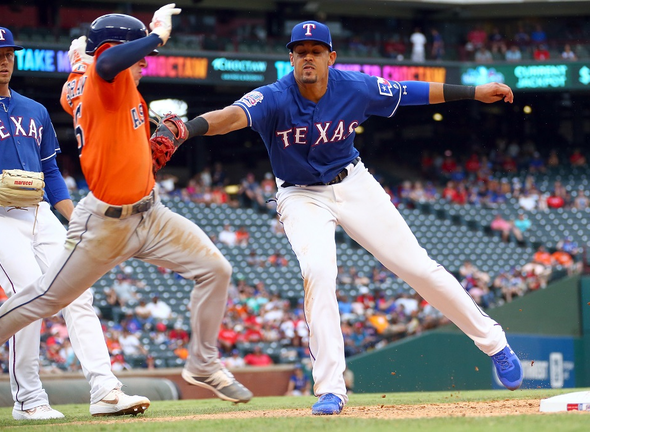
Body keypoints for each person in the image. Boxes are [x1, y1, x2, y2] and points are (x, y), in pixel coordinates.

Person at [175, 20, 523, 415]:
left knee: (418, 268)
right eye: (300, 51)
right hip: (300, 194)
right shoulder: (273, 97)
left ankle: (495, 344)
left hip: (353, 182)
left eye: (316, 51)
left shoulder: (356, 87)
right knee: (318, 273)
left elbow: (411, 92)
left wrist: (474, 92)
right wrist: (187, 129)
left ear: (331, 58)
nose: (308, 57)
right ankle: (330, 389)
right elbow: (229, 117)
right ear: (291, 58)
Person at [0, 8, 253, 406]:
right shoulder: (106, 79)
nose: (146, 60)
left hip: (151, 214)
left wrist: (156, 146)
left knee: (216, 269)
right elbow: (107, 64)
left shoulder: (85, 83)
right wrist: (157, 34)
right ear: (112, 50)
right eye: (139, 51)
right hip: (106, 223)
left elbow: (88, 78)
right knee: (45, 298)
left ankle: (203, 364)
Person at [0, 25, 150, 419]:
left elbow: (52, 173)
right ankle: (28, 399)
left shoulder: (34, 110)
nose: (5, 61)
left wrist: (76, 220)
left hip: (39, 211)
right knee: (28, 293)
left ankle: (105, 390)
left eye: (9, 54)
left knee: (79, 292)